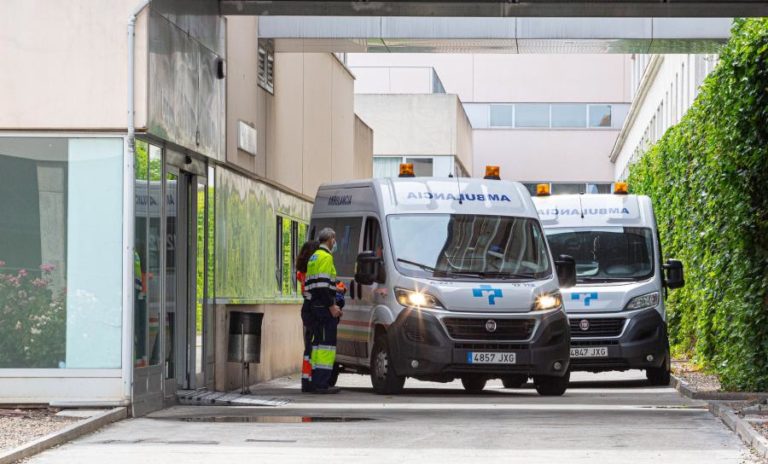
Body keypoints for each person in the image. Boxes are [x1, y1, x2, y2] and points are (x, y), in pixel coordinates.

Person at [305, 227, 343, 394]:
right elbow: (322, 286)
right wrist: (332, 306)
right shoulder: (326, 257)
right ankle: (322, 383)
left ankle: (314, 381)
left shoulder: (313, 257)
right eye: (334, 239)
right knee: (326, 346)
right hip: (323, 309)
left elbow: (313, 286)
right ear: (330, 239)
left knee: (317, 345)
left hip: (314, 307)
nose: (335, 243)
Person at [296, 240, 320, 393]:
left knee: (308, 347)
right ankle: (313, 379)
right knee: (315, 345)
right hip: (313, 308)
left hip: (306, 308)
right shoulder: (312, 271)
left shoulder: (301, 272)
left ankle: (307, 379)